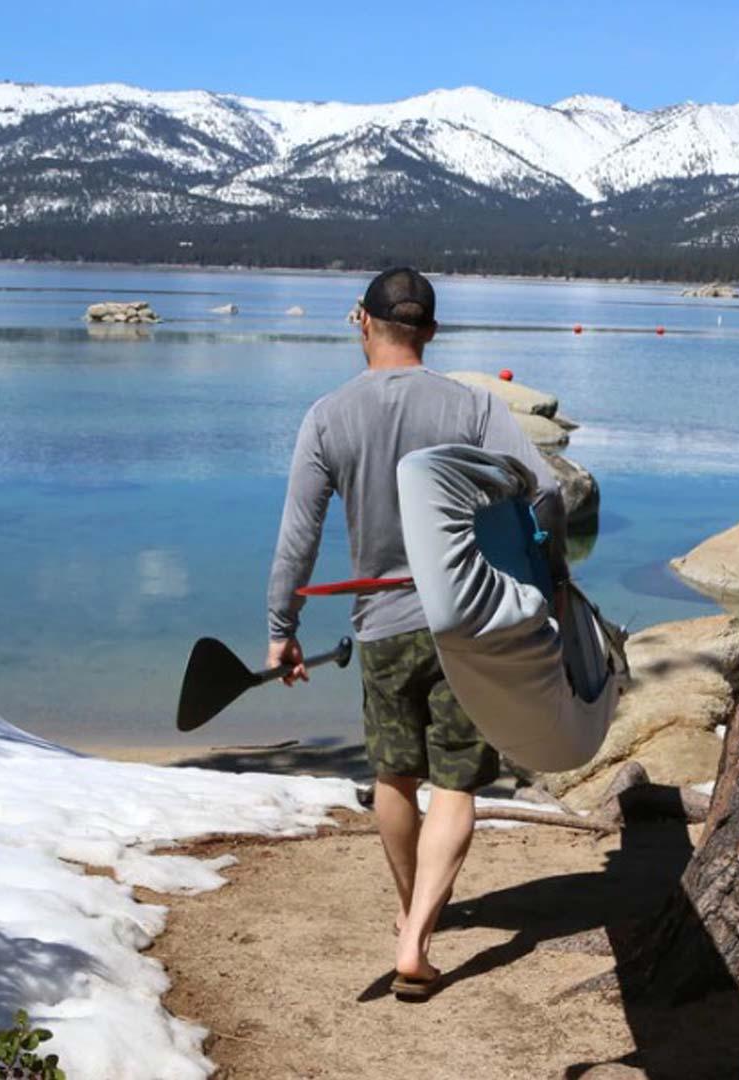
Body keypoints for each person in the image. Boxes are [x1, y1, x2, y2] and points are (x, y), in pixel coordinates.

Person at [265, 267, 566, 998]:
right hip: (468, 623)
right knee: (457, 782)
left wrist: (282, 628)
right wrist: (544, 575)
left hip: (381, 625)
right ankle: (417, 936)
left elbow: (299, 535)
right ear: (431, 331)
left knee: (394, 777)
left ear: (360, 321)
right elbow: (548, 488)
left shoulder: (328, 417)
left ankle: (412, 919)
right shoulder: (473, 405)